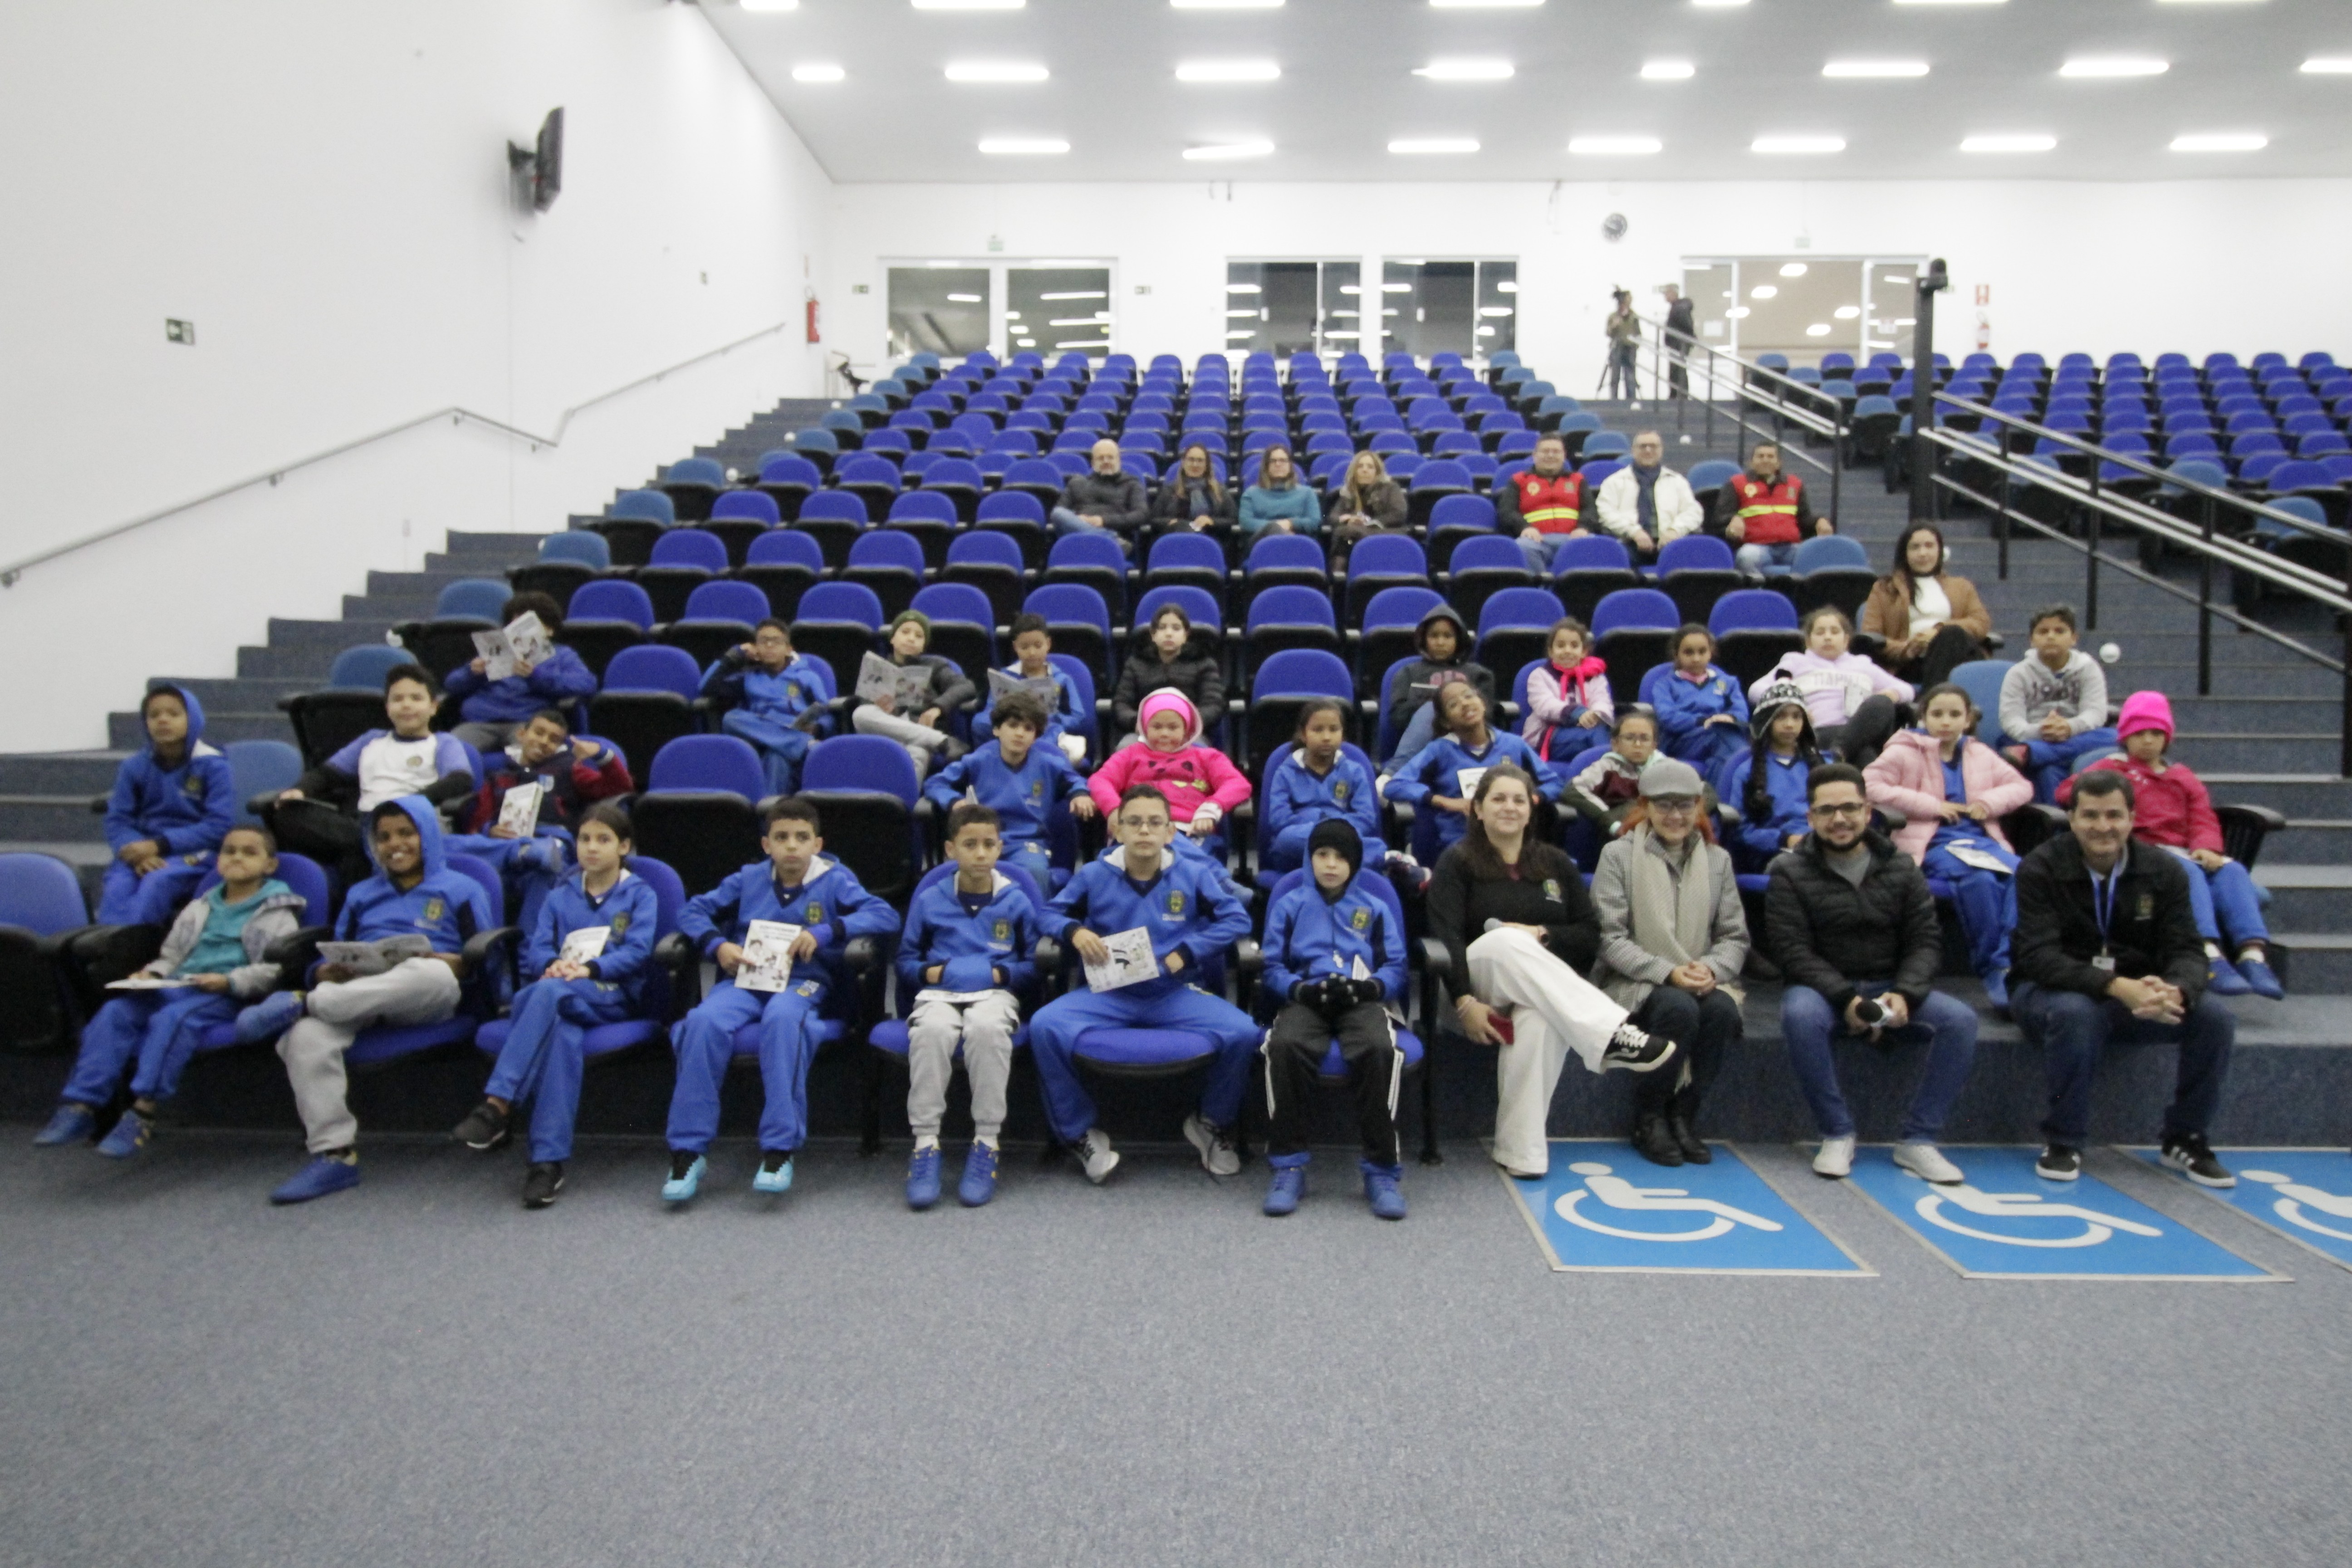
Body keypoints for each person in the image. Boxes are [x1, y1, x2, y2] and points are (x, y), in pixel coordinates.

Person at [235, 797, 495, 1205]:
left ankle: (306, 1003)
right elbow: (334, 953)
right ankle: (335, 1156)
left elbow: (485, 960)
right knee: (306, 1037)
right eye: (384, 837)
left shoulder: (463, 888)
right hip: (359, 995)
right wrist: (323, 973)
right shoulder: (361, 894)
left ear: (427, 835)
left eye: (406, 833)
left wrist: (455, 963)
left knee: (430, 973)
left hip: (426, 996)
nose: (395, 844)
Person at [1427, 765, 1672, 1180]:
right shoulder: (1457, 861)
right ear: (1479, 809)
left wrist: (1541, 933)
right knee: (1506, 940)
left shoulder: (1556, 863)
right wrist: (1464, 1001)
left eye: (1518, 800)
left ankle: (1521, 1153)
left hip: (1538, 990)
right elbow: (1444, 935)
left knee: (1541, 1020)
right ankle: (1611, 1032)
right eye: (1498, 799)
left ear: (1532, 809)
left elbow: (1590, 935)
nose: (1509, 807)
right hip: (1472, 985)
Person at [659, 797, 897, 1204]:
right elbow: (693, 911)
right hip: (747, 980)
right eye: (782, 837)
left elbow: (885, 915)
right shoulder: (748, 878)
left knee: (785, 1019)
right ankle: (688, 1151)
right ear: (766, 844)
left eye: (802, 838)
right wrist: (717, 945)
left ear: (817, 845)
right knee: (702, 1022)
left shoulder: (835, 879)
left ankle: (778, 1149)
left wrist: (828, 931)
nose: (792, 846)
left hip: (803, 982)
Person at [2009, 769, 2237, 1188]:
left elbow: (2188, 949)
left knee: (2214, 1017)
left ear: (2133, 818)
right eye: (2090, 815)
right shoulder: (2040, 868)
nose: (2103, 827)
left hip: (2138, 994)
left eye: (2114, 815)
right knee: (2076, 1014)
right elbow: (2038, 958)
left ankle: (2185, 1138)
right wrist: (2115, 986)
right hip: (2050, 991)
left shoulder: (2165, 870)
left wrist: (2177, 988)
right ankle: (2064, 1141)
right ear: (2072, 819)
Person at [1030, 785, 1260, 1185]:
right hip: (1110, 994)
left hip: (1172, 992)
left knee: (1243, 1032)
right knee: (1044, 1026)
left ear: (1170, 832)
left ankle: (1210, 1122)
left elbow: (1237, 919)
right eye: (1134, 822)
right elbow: (1047, 914)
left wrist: (1189, 951)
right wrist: (1074, 932)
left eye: (1155, 823)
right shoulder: (1095, 874)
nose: (1144, 830)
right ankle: (1080, 1134)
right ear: (1117, 830)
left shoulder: (1193, 873)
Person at [1766, 764, 1978, 1185]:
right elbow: (1793, 952)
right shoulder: (1788, 872)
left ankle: (1918, 1140)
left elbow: (1925, 941)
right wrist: (1847, 999)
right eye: (1827, 810)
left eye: (1849, 808)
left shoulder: (1901, 866)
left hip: (1889, 986)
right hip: (1824, 991)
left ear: (1867, 812)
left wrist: (1906, 993)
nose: (1839, 819)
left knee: (1961, 1021)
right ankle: (1837, 1133)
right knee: (1800, 1015)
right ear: (1811, 818)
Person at [35, 826, 303, 1157]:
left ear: (270, 865)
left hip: (224, 994)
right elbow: (172, 955)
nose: (237, 858)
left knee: (173, 1019)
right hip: (179, 985)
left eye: (250, 853)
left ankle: (143, 1110)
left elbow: (274, 970)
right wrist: (153, 973)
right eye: (229, 850)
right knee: (116, 1011)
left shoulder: (278, 912)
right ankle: (82, 1103)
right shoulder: (200, 905)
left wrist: (229, 981)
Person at [449, 804, 658, 1209]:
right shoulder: (560, 895)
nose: (591, 848)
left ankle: (498, 1104)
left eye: (603, 840)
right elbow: (537, 949)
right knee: (561, 1032)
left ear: (624, 847)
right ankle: (547, 1163)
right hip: (563, 994)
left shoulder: (640, 894)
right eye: (584, 839)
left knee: (542, 995)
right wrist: (554, 965)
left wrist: (588, 969)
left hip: (611, 995)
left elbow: (638, 952)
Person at [2057, 691, 2283, 1000]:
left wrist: (2208, 847)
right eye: (2139, 734)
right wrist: (2103, 788)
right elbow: (2069, 792)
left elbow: (2203, 817)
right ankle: (2207, 954)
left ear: (2167, 738)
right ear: (2125, 737)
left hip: (2185, 851)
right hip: (2138, 853)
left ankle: (2252, 956)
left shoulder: (2182, 777)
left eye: (2156, 733)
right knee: (2187, 873)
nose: (2148, 741)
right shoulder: (2112, 769)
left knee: (2234, 872)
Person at [1589, 759, 1749, 1168]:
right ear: (1644, 807)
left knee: (1721, 1011)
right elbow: (1610, 939)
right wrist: (1668, 973)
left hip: (1700, 976)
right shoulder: (1617, 856)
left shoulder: (1718, 861)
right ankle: (1651, 1117)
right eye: (1664, 805)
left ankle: (1684, 1114)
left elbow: (1734, 937)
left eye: (1685, 805)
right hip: (1632, 979)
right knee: (1678, 1009)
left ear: (1699, 807)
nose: (1675, 815)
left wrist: (1711, 970)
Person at [895, 803, 1049, 1210]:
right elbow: (906, 962)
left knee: (986, 1029)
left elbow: (1035, 964)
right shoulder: (930, 899)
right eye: (970, 845)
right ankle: (925, 1143)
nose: (980, 853)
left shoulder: (1015, 900)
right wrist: (937, 973)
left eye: (988, 845)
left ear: (1000, 848)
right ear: (951, 850)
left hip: (994, 993)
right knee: (931, 1031)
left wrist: (997, 975)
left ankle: (986, 1141)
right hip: (940, 993)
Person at [1259, 819, 1410, 1220]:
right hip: (1307, 997)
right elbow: (1272, 966)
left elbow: (1396, 966)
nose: (1330, 864)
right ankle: (1288, 1166)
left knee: (1378, 1049)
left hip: (1360, 999)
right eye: (1322, 855)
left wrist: (1371, 989)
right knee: (1286, 1046)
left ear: (1355, 863)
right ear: (1310, 859)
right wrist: (1299, 990)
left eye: (1341, 857)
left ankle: (1381, 1171)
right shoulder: (1291, 904)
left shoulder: (1374, 907)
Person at [1865, 683, 2033, 1009]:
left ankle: (2008, 960)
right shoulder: (1904, 750)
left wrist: (1988, 802)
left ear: (1968, 720)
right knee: (1980, 880)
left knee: (2026, 874)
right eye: (1937, 714)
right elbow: (1869, 785)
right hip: (1932, 843)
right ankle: (1994, 968)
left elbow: (2022, 787)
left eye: (1955, 715)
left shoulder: (1979, 752)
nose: (1946, 721)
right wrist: (1932, 805)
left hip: (1981, 842)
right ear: (1923, 717)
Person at [261, 664, 476, 883]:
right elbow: (327, 774)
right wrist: (300, 790)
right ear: (388, 708)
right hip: (363, 821)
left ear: (433, 707)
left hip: (410, 819)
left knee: (352, 858)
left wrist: (409, 803)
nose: (407, 705)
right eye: (398, 699)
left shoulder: (443, 743)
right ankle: (367, 841)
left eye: (416, 698)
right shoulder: (372, 740)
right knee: (286, 812)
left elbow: (461, 780)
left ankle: (367, 843)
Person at [450, 707, 632, 933]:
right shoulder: (498, 775)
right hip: (505, 845)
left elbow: (620, 787)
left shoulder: (569, 770)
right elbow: (476, 827)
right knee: (450, 846)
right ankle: (523, 851)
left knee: (544, 872)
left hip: (550, 842)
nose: (545, 742)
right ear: (521, 734)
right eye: (539, 733)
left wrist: (600, 754)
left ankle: (529, 950)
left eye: (554, 739)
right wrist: (490, 830)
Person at [922, 690, 1096, 891]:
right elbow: (935, 783)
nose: (1020, 733)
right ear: (997, 730)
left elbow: (1076, 781)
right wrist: (954, 801)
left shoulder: (1049, 764)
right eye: (1013, 726)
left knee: (1035, 872)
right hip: (983, 839)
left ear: (1036, 736)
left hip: (1027, 842)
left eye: (1028, 729)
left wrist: (1080, 794)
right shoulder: (978, 761)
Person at [100, 681, 234, 925]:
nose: (163, 720)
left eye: (173, 714)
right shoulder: (133, 766)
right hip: (141, 850)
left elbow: (219, 826)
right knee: (117, 886)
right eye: (154, 715)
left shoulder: (214, 766)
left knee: (156, 881)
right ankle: (108, 944)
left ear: (193, 719)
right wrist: (137, 853)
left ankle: (134, 944)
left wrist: (159, 846)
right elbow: (118, 820)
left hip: (192, 852)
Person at [1384, 681, 1558, 853]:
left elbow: (1555, 784)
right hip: (1462, 846)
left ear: (1483, 704)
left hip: (1514, 843)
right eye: (1453, 705)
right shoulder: (1439, 750)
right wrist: (1445, 802)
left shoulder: (1514, 745)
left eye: (1469, 696)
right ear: (1446, 722)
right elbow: (1395, 786)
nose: (1465, 704)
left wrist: (1532, 798)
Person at [1087, 691, 1250, 858]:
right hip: (1139, 829)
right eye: (1157, 727)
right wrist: (1114, 809)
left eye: (1173, 727)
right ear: (1145, 728)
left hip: (1189, 831)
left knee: (1189, 860)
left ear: (1186, 729)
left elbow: (1238, 784)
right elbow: (1100, 781)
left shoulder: (1207, 757)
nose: (1164, 733)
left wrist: (1211, 809)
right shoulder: (1129, 755)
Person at [441, 590, 598, 754]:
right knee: (450, 751)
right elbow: (452, 684)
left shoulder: (562, 655)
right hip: (481, 721)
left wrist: (536, 676)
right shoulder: (496, 651)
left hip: (527, 723)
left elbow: (587, 684)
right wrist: (472, 673)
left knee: (532, 753)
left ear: (550, 630)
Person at [1752, 606, 1913, 765]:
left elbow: (1908, 690)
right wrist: (1793, 702)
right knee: (1866, 755)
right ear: (1808, 641)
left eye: (1835, 632)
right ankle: (1841, 754)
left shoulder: (1863, 665)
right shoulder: (1794, 663)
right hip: (1820, 732)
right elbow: (1756, 690)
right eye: (1820, 633)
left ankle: (1838, 753)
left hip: (1860, 730)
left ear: (1846, 640)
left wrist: (1892, 694)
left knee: (1882, 702)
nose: (1828, 638)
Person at [1998, 603, 2117, 802]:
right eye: (2043, 632)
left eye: (2060, 631)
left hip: (2074, 735)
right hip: (2032, 736)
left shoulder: (2088, 668)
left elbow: (2095, 714)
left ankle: (2033, 754)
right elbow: (2011, 721)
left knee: (2117, 737)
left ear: (2074, 638)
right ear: (2031, 640)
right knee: (2047, 767)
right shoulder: (2018, 674)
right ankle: (2037, 754)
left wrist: (2069, 727)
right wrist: (2041, 731)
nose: (2051, 637)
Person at [701, 618, 831, 796]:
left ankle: (768, 809)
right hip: (759, 738)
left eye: (776, 641)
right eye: (763, 641)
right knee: (731, 719)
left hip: (793, 731)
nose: (770, 646)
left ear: (789, 649)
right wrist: (735, 654)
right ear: (756, 648)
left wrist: (818, 728)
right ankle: (802, 744)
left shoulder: (808, 677)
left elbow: (826, 712)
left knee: (776, 756)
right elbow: (707, 687)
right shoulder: (748, 677)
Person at [1260, 698, 1382, 876]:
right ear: (1303, 734)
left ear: (1342, 734)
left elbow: (1366, 818)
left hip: (1344, 836)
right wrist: (1320, 829)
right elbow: (1279, 819)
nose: (1326, 737)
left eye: (1334, 730)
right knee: (1285, 841)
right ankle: (1379, 859)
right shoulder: (1285, 772)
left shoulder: (1355, 771)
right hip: (1299, 842)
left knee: (1374, 845)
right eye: (1318, 730)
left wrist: (1335, 830)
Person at [847, 609, 974, 779]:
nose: (911, 638)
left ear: (924, 645)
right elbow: (866, 713)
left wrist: (938, 708)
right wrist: (882, 707)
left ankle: (907, 797)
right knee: (861, 714)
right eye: (905, 632)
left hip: (918, 730)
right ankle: (942, 741)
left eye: (919, 636)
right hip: (886, 732)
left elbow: (966, 686)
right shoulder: (877, 668)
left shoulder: (935, 665)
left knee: (919, 752)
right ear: (893, 638)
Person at [1861, 524, 1991, 689]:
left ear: (1940, 551)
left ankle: (1930, 698)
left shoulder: (1962, 586)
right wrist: (1909, 648)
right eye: (1915, 547)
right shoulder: (1884, 589)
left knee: (1952, 634)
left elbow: (1981, 623)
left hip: (1960, 659)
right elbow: (1871, 637)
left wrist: (1938, 632)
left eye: (1929, 546)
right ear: (1904, 553)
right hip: (1913, 663)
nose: (1923, 553)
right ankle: (1935, 697)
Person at [1722, 681, 1828, 874]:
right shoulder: (1746, 771)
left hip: (1826, 845)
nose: (1790, 724)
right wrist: (1785, 839)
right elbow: (1742, 830)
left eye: (1796, 717)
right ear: (1766, 721)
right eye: (1781, 717)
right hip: (1774, 855)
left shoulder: (1824, 766)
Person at [1383, 604, 1495, 773]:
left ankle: (1393, 773)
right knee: (1434, 707)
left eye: (1448, 636)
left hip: (1467, 739)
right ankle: (1395, 772)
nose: (1441, 642)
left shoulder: (1479, 674)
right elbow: (1398, 719)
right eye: (1434, 636)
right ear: (1424, 639)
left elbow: (1487, 715)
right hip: (1423, 743)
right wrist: (1431, 703)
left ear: (1459, 639)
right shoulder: (1408, 673)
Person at [972, 612, 1087, 762]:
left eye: (1038, 646)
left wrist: (1055, 718)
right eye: (1024, 647)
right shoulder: (1004, 677)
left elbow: (1078, 717)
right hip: (1011, 729)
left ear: (1048, 644)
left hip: (1047, 732)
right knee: (979, 722)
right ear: (1015, 647)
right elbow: (991, 710)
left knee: (1049, 736)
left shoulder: (1063, 680)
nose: (1032, 653)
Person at [1111, 603, 1225, 745]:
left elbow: (1213, 705)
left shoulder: (1204, 663)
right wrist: (1139, 722)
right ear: (1153, 635)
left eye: (1176, 628)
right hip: (1145, 733)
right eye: (1162, 628)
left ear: (1186, 635)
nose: (1169, 633)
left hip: (1189, 734)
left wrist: (1187, 723)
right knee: (1125, 747)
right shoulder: (1135, 664)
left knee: (1199, 749)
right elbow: (1121, 704)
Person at [1714, 440, 1835, 573]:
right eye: (1760, 456)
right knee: (1746, 557)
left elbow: (1804, 518)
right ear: (1751, 463)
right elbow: (1720, 517)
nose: (1765, 460)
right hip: (1756, 547)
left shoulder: (1795, 484)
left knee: (1815, 556)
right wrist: (1733, 519)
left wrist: (1820, 521)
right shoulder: (1736, 484)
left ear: (1779, 463)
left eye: (1771, 457)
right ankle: (1759, 587)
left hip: (1791, 547)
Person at [1651, 625, 1751, 779]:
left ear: (1711, 653)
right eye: (1689, 653)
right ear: (1676, 654)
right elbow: (1667, 717)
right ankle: (1749, 769)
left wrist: (1729, 718)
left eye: (1702, 652)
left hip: (1721, 736)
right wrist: (1703, 721)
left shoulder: (1728, 683)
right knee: (1726, 738)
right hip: (1682, 742)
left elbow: (1741, 712)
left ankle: (1714, 792)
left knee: (1721, 759)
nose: (1696, 658)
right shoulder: (1664, 685)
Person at [1592, 431, 1704, 561]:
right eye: (1643, 446)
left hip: (1670, 543)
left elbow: (1693, 512)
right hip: (1628, 544)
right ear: (1633, 451)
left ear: (1661, 450)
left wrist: (1675, 531)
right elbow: (1606, 513)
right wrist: (1634, 532)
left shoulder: (1677, 482)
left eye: (1653, 446)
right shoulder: (1614, 482)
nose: (1648, 450)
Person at [1521, 617, 1613, 770]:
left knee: (1603, 733)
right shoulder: (1539, 676)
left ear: (1584, 652)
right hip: (1548, 737)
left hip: (1586, 731)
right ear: (1551, 651)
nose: (1567, 651)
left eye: (1574, 646)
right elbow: (1546, 705)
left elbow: (1602, 701)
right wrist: (1578, 713)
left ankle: (1602, 773)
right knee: (1597, 736)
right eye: (1561, 646)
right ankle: (1610, 773)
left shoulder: (1596, 677)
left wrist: (1595, 715)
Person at [1566, 706, 1668, 838]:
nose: (1638, 744)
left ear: (1654, 746)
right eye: (1630, 738)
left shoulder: (1667, 769)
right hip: (1621, 833)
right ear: (1616, 745)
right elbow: (1573, 791)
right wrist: (1610, 823)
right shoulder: (1606, 767)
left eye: (1645, 739)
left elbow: (1693, 795)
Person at [1497, 433, 1588, 572]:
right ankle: (1541, 585)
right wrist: (1525, 528)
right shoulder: (1519, 480)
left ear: (1564, 456)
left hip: (1572, 539)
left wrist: (1583, 528)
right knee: (1522, 547)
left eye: (1556, 452)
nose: (1551, 456)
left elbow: (1590, 510)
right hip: (1536, 541)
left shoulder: (1578, 480)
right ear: (1535, 455)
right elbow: (1507, 511)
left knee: (1595, 545)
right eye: (1545, 451)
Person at [1323, 450, 1407, 570]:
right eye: (1360, 467)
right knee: (1342, 534)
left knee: (1345, 533)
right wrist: (1348, 520)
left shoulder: (1391, 488)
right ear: (1354, 471)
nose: (1365, 470)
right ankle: (1338, 577)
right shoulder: (1349, 493)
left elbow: (1399, 514)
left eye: (1370, 467)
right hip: (1355, 535)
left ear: (1377, 472)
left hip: (1384, 533)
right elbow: (1333, 517)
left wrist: (1368, 523)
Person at [1051, 438, 1149, 541]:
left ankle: (1108, 540)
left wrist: (1103, 521)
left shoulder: (1132, 484)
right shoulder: (1077, 483)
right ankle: (1109, 538)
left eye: (1110, 458)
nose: (1106, 462)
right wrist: (1079, 520)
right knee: (1058, 513)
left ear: (1119, 461)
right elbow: (1060, 511)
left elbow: (1141, 515)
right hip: (1081, 538)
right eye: (1101, 458)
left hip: (1117, 536)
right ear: (1093, 463)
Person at [1237, 443, 1323, 536]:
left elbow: (1314, 521)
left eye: (1283, 461)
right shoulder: (1251, 494)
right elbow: (1246, 522)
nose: (1278, 464)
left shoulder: (1307, 493)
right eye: (1273, 461)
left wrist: (1290, 523)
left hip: (1298, 539)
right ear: (1266, 466)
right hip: (1263, 540)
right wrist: (1276, 527)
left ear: (1290, 466)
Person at [1150, 441, 1233, 535]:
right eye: (1191, 460)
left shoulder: (1220, 490)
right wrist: (1170, 522)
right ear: (1184, 463)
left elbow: (1232, 519)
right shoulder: (1169, 490)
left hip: (1212, 537)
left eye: (1200, 461)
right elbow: (1154, 520)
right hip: (1178, 537)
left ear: (1207, 465)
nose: (1195, 465)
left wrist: (1212, 521)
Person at [1660, 282, 1696, 400]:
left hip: (1679, 344)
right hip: (1677, 343)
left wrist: (1687, 338)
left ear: (1673, 293)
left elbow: (1687, 325)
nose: (1665, 296)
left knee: (1678, 370)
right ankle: (1676, 394)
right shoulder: (1677, 307)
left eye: (1667, 293)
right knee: (1676, 370)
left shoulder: (1680, 308)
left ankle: (1680, 395)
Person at [1603, 289, 1640, 400]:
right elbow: (1608, 333)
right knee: (1615, 376)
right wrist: (1614, 326)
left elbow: (1638, 332)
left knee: (1630, 376)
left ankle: (1631, 399)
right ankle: (1613, 399)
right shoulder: (1613, 316)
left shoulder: (1633, 316)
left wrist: (1636, 345)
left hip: (1630, 348)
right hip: (1617, 347)